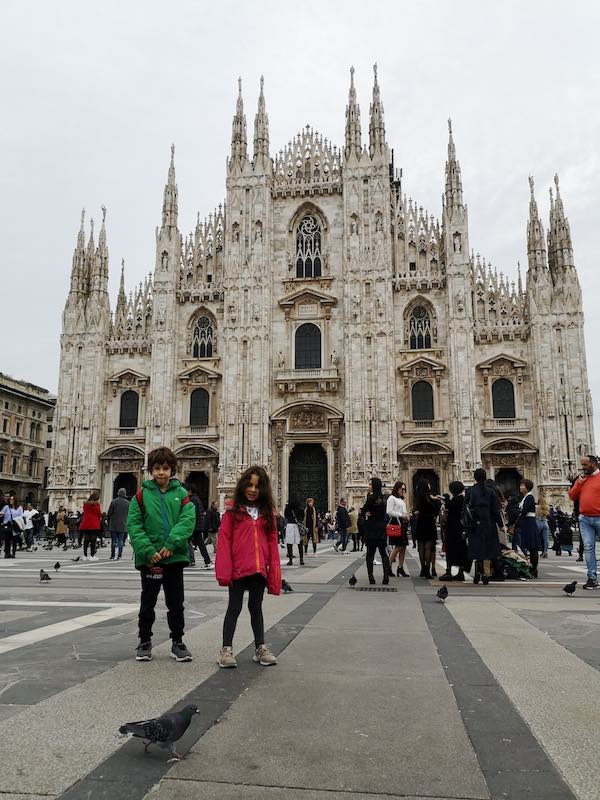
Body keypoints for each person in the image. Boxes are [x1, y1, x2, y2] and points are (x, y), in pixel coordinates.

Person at [127, 446, 196, 661]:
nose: (161, 472)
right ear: (150, 470)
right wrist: (147, 550)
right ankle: (144, 640)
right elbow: (134, 525)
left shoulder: (182, 494)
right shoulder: (141, 495)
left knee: (176, 602)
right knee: (148, 601)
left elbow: (187, 521)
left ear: (172, 470)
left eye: (165, 468)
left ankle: (178, 641)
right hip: (150, 560)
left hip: (173, 557)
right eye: (157, 468)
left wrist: (173, 543)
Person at [215, 465, 281, 668]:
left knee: (256, 608)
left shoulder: (267, 514)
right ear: (243, 485)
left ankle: (260, 647)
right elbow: (224, 542)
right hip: (238, 569)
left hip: (258, 569)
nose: (253, 490)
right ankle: (226, 649)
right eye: (250, 485)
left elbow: (272, 545)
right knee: (233, 608)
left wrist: (274, 575)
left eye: (258, 486)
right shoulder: (232, 512)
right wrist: (225, 571)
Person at [568, 454, 600, 589]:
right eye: (582, 465)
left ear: (593, 464)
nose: (583, 468)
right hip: (585, 519)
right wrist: (579, 483)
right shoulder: (581, 479)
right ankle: (592, 578)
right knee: (588, 548)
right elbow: (572, 495)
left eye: (585, 465)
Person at [467, 469, 503, 584]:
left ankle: (479, 572)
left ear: (475, 477)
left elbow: (465, 508)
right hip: (488, 523)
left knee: (477, 548)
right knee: (487, 548)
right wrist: (501, 524)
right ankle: (484, 573)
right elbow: (495, 510)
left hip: (475, 523)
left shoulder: (470, 491)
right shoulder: (490, 491)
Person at [439, 481, 471, 581]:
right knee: (461, 550)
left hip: (453, 529)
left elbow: (450, 506)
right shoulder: (464, 499)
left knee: (450, 550)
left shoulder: (456, 500)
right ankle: (460, 572)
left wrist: (445, 499)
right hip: (461, 530)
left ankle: (448, 572)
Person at [361, 477, 391, 585]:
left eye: (370, 484)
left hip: (371, 528)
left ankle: (371, 578)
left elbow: (363, 511)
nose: (368, 486)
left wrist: (366, 515)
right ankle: (386, 577)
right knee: (383, 553)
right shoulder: (383, 499)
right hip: (381, 528)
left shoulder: (371, 498)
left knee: (370, 554)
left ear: (374, 486)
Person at [414, 478, 442, 579]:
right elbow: (436, 510)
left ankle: (423, 569)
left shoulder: (418, 497)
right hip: (429, 523)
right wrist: (436, 500)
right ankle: (428, 569)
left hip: (420, 523)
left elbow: (416, 510)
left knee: (421, 546)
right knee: (428, 547)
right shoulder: (430, 499)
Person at [186, 484, 213, 569]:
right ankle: (207, 561)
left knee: (185, 542)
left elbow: (192, 514)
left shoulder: (192, 500)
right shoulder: (197, 499)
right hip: (197, 525)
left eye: (186, 490)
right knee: (200, 545)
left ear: (190, 491)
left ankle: (188, 560)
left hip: (194, 526)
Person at [386, 481, 409, 577]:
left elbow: (404, 511)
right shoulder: (392, 498)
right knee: (398, 547)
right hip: (396, 524)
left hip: (403, 524)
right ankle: (388, 566)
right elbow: (389, 511)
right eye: (402, 489)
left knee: (403, 547)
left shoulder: (401, 500)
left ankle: (400, 567)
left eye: (404, 489)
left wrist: (406, 516)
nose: (403, 491)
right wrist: (401, 515)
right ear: (397, 488)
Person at [107, 488, 130, 560]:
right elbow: (130, 514)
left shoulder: (113, 502)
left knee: (113, 540)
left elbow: (109, 513)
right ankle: (119, 555)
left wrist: (109, 520)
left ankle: (112, 555)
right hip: (123, 524)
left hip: (113, 524)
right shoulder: (128, 503)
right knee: (121, 541)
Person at [79, 493, 102, 561]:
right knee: (93, 540)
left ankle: (85, 555)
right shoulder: (96, 504)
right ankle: (92, 555)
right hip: (94, 524)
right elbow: (99, 513)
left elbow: (85, 512)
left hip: (86, 523)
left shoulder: (85, 504)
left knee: (86, 539)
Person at [284, 498, 303, 565]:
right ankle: (301, 559)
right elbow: (302, 516)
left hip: (289, 525)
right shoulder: (300, 508)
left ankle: (290, 560)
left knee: (289, 544)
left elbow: (285, 516)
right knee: (300, 543)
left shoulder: (287, 508)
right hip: (297, 526)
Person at [536, 494, 550, 559]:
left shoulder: (536, 507)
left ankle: (534, 551)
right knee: (545, 539)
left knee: (536, 538)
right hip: (545, 523)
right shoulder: (546, 507)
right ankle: (545, 552)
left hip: (537, 523)